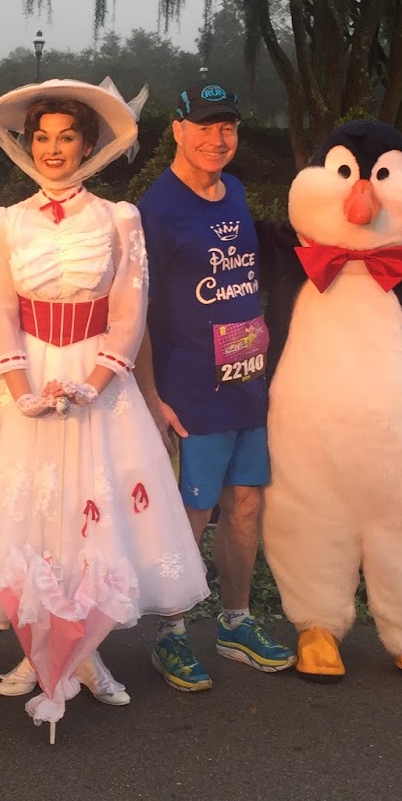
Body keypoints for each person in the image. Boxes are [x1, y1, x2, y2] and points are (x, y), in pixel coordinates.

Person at [0, 79, 210, 712]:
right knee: (33, 511)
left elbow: (130, 312)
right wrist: (22, 392)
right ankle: (38, 651)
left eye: (66, 137)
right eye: (42, 138)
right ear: (29, 145)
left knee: (93, 513)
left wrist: (94, 383)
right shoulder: (4, 222)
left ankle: (86, 652)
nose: (53, 149)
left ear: (87, 145)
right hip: (25, 378)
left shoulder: (118, 218)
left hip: (96, 380)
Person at [134, 82, 296, 692]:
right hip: (190, 387)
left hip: (246, 380)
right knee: (191, 512)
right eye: (203, 126)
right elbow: (134, 311)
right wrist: (152, 397)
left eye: (226, 127)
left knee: (246, 504)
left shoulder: (236, 193)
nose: (216, 138)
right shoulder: (155, 210)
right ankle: (170, 632)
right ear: (177, 130)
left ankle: (235, 622)